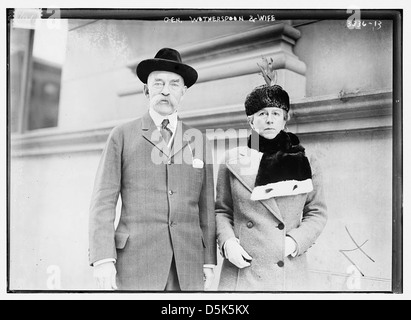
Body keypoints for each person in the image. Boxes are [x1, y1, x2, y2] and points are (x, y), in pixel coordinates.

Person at [89, 48, 217, 291]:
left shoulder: (198, 139)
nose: (166, 90)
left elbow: (206, 207)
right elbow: (103, 201)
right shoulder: (123, 136)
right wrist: (103, 258)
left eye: (174, 84)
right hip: (137, 263)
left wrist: (209, 261)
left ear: (184, 91)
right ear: (146, 90)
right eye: (158, 83)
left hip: (188, 265)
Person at [215, 83, 327, 291]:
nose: (269, 119)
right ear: (251, 120)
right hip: (242, 268)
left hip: (288, 267)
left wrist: (294, 242)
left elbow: (317, 212)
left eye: (276, 113)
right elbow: (222, 210)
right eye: (262, 113)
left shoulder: (306, 160)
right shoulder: (232, 160)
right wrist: (228, 242)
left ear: (285, 119)